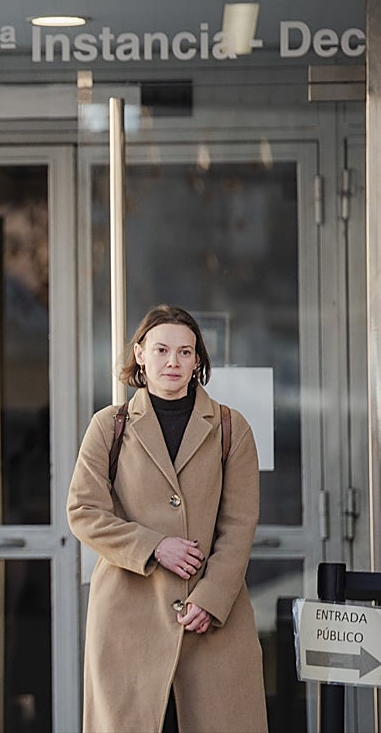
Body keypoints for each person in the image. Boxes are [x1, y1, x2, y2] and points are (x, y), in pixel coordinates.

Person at [67, 305, 268, 733]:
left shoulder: (232, 428)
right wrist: (154, 546)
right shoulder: (108, 425)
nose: (172, 361)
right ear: (140, 354)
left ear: (197, 361)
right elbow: (83, 511)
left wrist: (211, 599)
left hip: (212, 620)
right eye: (161, 350)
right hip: (128, 617)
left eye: (184, 352)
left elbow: (239, 525)